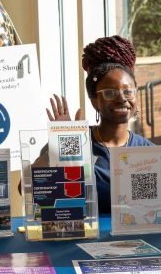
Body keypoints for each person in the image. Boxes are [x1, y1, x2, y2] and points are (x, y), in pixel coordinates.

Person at [43, 35, 154, 214]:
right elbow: (26, 189)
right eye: (110, 92)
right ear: (94, 100)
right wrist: (61, 143)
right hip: (81, 238)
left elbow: (156, 208)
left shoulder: (149, 151)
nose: (122, 98)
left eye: (128, 91)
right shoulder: (77, 141)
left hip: (130, 238)